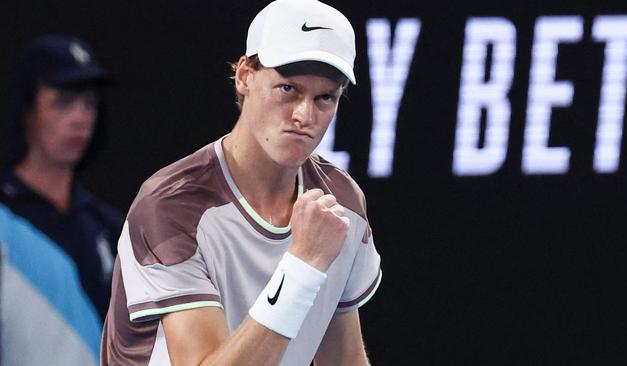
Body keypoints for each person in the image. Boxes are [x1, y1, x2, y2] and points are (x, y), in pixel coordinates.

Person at [101, 0, 382, 364]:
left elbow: (343, 359)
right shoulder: (171, 207)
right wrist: (303, 266)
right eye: (288, 89)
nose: (304, 115)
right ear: (245, 76)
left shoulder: (341, 202)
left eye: (324, 97)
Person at [0, 34, 124, 365]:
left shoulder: (110, 228)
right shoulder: (4, 220)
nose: (81, 118)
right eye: (63, 102)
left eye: (89, 103)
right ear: (28, 109)